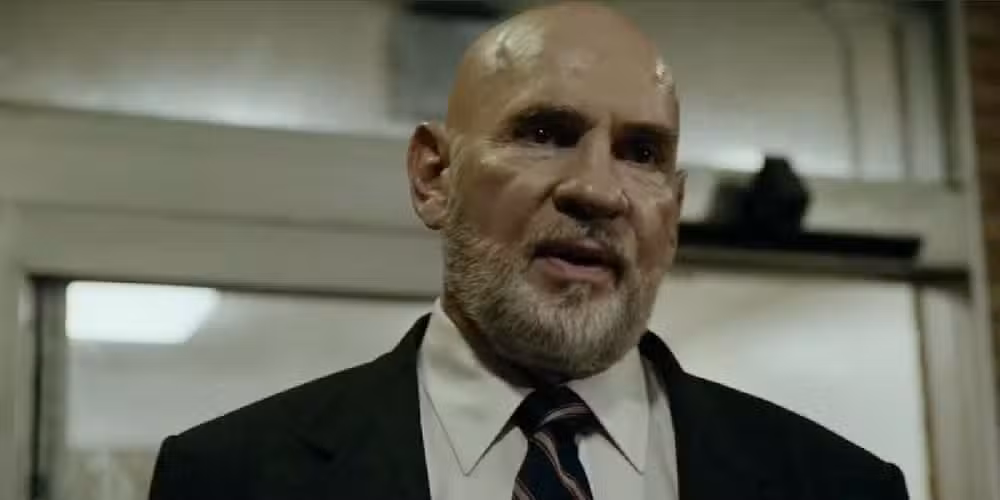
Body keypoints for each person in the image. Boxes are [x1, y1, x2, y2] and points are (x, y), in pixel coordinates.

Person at [149, 3, 909, 499]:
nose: (598, 190)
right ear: (434, 176)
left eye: (642, 152)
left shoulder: (842, 487)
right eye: (545, 133)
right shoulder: (227, 479)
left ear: (672, 216)